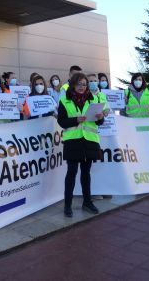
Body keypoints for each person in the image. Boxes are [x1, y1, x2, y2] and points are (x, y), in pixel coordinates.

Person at [57, 73, 105, 217]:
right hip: (73, 141)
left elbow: (99, 122)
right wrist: (76, 120)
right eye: (79, 84)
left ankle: (87, 202)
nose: (82, 87)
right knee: (71, 173)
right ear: (72, 84)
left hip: (89, 140)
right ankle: (67, 205)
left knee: (86, 173)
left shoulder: (94, 99)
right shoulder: (64, 100)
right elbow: (61, 121)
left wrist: (100, 118)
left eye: (84, 84)